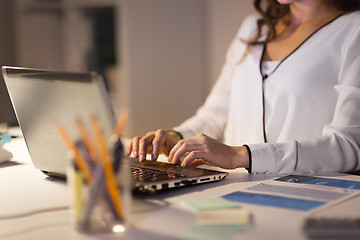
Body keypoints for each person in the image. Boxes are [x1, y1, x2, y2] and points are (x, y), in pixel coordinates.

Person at [127, 0, 360, 174]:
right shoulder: (253, 29)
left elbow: (349, 147)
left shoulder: (353, 29)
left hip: (306, 200)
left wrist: (242, 155)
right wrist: (176, 137)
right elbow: (215, 113)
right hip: (231, 194)